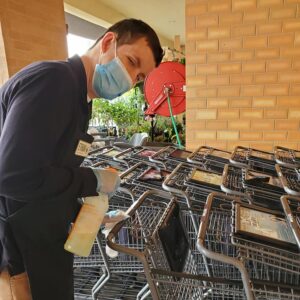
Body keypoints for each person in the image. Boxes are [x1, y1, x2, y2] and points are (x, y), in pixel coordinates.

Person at [0, 18, 163, 300]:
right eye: (132, 61)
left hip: (42, 235)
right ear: (109, 43)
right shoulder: (54, 80)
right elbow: (13, 176)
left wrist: (83, 214)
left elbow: (48, 172)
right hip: (20, 252)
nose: (129, 79)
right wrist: (92, 179)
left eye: (138, 77)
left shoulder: (79, 99)